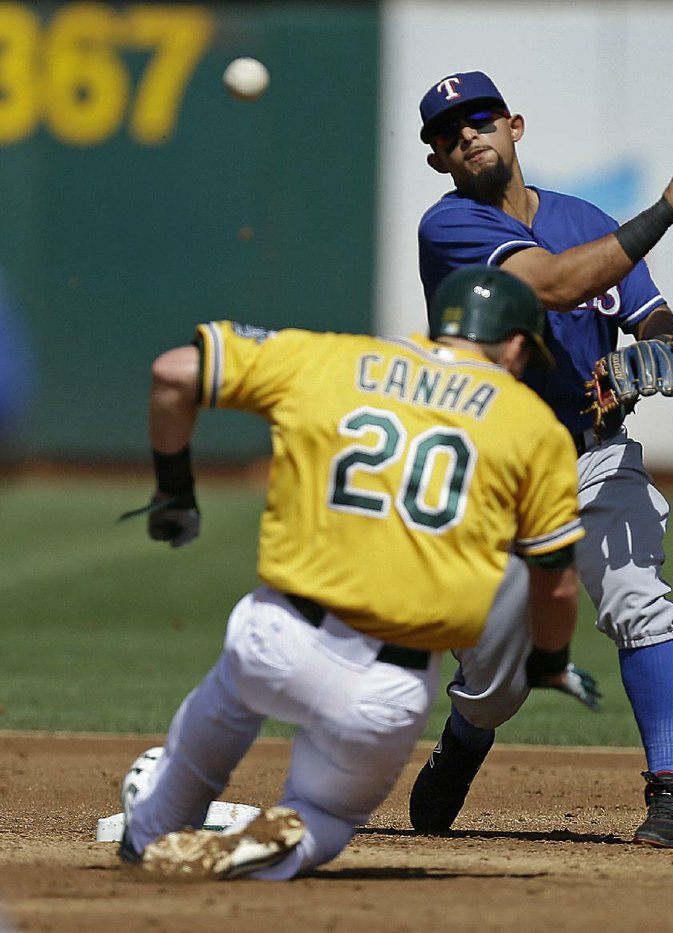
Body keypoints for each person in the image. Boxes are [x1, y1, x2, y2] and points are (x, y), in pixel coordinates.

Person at [117, 265, 598, 880]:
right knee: (325, 811)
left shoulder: (329, 360)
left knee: (230, 701)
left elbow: (172, 373)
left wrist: (176, 492)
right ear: (512, 344)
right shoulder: (533, 427)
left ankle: (152, 829)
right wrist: (550, 661)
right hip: (390, 687)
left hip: (279, 635)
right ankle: (275, 841)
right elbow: (554, 582)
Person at [408, 70, 673, 848]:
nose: (467, 135)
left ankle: (671, 788)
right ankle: (467, 730)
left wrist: (656, 354)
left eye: (480, 118)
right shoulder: (450, 227)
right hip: (501, 468)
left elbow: (652, 314)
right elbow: (556, 285)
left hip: (596, 456)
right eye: (448, 133)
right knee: (497, 681)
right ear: (438, 159)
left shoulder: (582, 216)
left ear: (514, 126)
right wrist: (666, 209)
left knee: (638, 599)